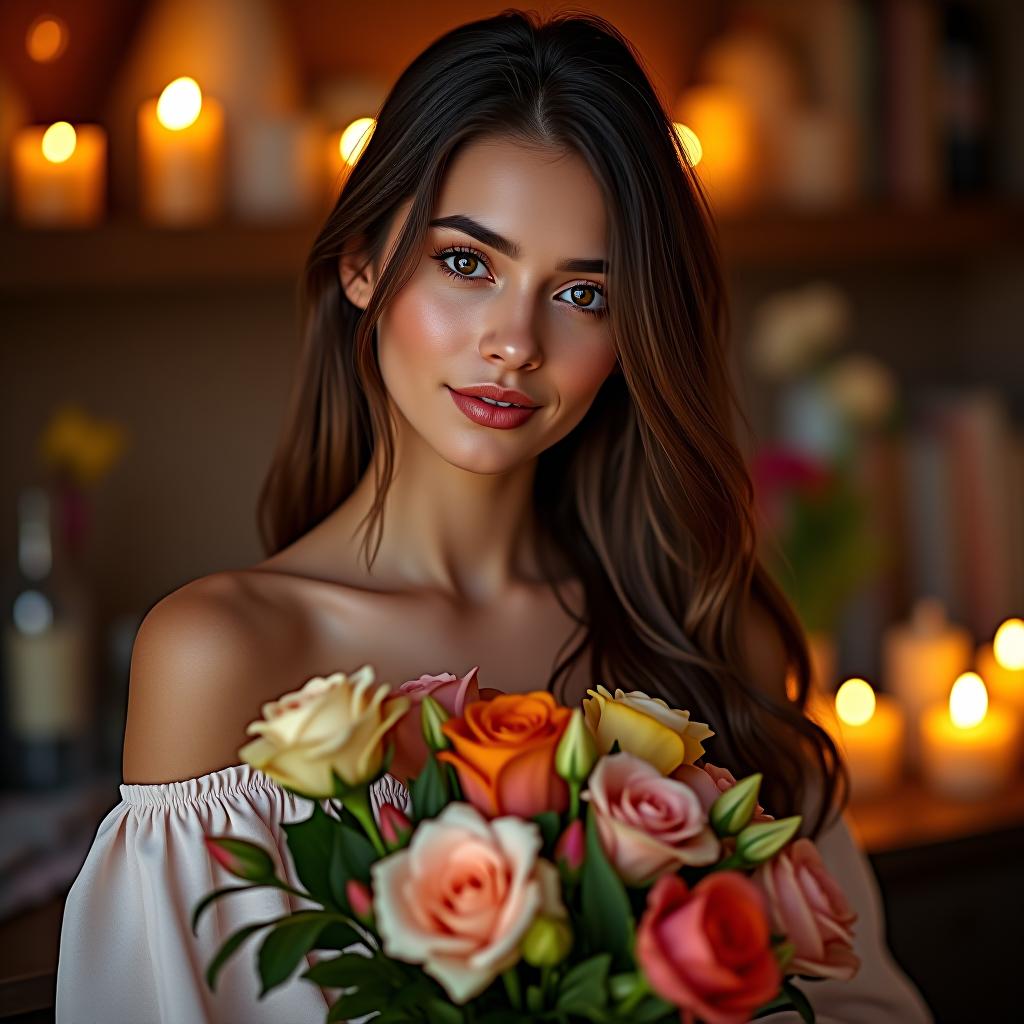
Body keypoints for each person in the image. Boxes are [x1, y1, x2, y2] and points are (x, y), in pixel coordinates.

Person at [55, 9, 934, 1023]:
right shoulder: (221, 655)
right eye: (468, 263)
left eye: (583, 295)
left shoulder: (697, 630)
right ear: (361, 266)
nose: (515, 343)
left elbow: (862, 1004)